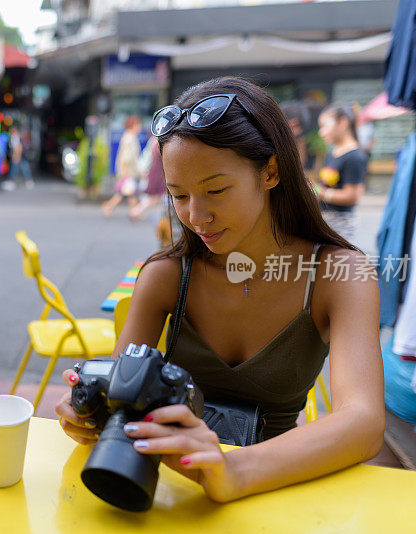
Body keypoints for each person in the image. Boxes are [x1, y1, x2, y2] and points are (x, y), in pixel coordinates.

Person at [55, 77, 384, 503]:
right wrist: (88, 412)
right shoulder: (166, 275)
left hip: (276, 482)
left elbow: (364, 422)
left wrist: (234, 470)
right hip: (164, 489)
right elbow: (120, 390)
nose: (197, 215)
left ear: (270, 171)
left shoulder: (340, 274)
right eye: (178, 195)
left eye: (216, 190)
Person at [314, 104, 368, 243]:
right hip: (326, 221)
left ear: (343, 123)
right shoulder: (332, 152)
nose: (322, 132)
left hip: (340, 225)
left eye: (325, 126)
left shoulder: (355, 157)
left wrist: (319, 192)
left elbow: (352, 196)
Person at [102, 115, 142, 217]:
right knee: (128, 191)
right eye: (138, 125)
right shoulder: (129, 138)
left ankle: (134, 211)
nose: (140, 127)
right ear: (133, 126)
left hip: (128, 170)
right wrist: (126, 172)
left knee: (126, 192)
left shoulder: (129, 137)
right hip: (128, 171)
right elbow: (126, 158)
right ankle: (135, 212)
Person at [6, 125, 35, 190]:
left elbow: (18, 148)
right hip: (18, 156)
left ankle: (27, 181)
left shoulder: (15, 137)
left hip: (19, 156)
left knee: (20, 168)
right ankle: (28, 181)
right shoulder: (15, 137)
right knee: (19, 168)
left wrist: (16, 156)